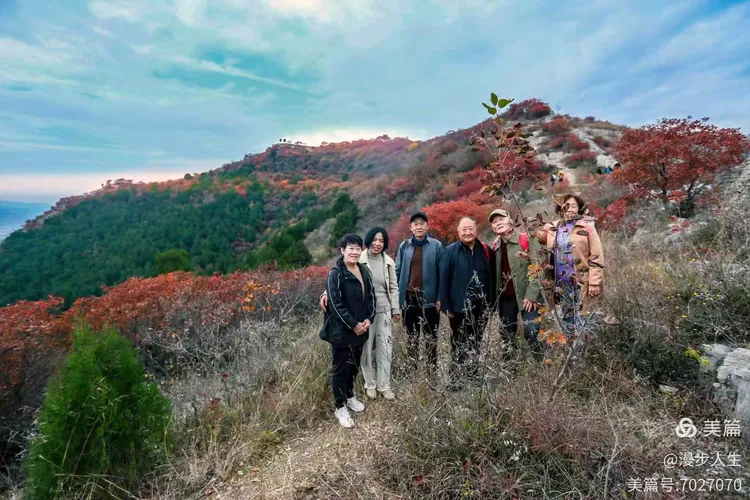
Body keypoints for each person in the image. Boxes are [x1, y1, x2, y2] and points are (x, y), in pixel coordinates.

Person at [320, 228, 400, 401]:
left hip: (383, 310)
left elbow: (394, 286)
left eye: (381, 241)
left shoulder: (389, 262)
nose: (377, 243)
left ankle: (384, 385)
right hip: (364, 314)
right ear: (368, 241)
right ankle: (370, 384)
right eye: (374, 240)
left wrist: (395, 309)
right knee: (365, 350)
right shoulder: (358, 258)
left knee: (386, 349)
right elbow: (339, 277)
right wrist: (325, 293)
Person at [319, 233, 376, 428]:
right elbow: (336, 304)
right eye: (350, 248)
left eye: (358, 248)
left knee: (354, 365)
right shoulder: (335, 274)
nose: (354, 252)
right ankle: (339, 406)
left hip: (361, 329)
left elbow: (371, 297)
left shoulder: (364, 270)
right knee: (340, 368)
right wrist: (354, 324)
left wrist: (369, 319)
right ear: (343, 250)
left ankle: (350, 396)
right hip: (342, 331)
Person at [536, 194, 605, 337]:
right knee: (568, 317)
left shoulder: (587, 227)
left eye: (573, 206)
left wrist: (594, 282)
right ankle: (570, 344)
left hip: (581, 282)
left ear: (579, 209)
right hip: (561, 283)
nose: (569, 209)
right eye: (566, 205)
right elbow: (533, 237)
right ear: (560, 208)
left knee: (584, 317)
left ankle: (584, 346)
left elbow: (597, 256)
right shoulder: (552, 227)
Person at [439, 217, 495, 388]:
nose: (467, 232)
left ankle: (472, 374)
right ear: (458, 232)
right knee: (458, 341)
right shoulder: (450, 251)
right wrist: (446, 305)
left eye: (470, 228)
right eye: (463, 229)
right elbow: (444, 278)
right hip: (458, 306)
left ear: (476, 229)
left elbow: (493, 277)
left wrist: (492, 302)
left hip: (482, 305)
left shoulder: (485, 250)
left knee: (476, 340)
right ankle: (455, 378)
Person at [488, 209, 544, 359]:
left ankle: (542, 363)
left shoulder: (527, 239)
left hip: (528, 297)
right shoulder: (495, 246)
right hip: (506, 299)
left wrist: (531, 295)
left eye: (501, 219)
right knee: (506, 334)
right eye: (494, 222)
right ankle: (511, 366)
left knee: (531, 332)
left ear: (510, 221)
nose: (498, 223)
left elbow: (538, 268)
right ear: (493, 228)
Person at [394, 211, 444, 375]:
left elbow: (442, 273)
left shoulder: (436, 246)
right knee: (412, 337)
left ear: (427, 226)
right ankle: (413, 372)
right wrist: (397, 299)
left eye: (422, 223)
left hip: (430, 300)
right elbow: (397, 271)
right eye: (415, 224)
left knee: (431, 338)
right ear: (411, 227)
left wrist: (440, 298)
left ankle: (431, 373)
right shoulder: (404, 246)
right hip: (409, 299)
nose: (419, 227)